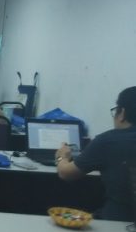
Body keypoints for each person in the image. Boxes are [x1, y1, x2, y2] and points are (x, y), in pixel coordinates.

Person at [56, 86, 136, 221]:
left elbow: (66, 173)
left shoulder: (108, 141)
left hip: (118, 222)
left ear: (122, 113)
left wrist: (62, 157)